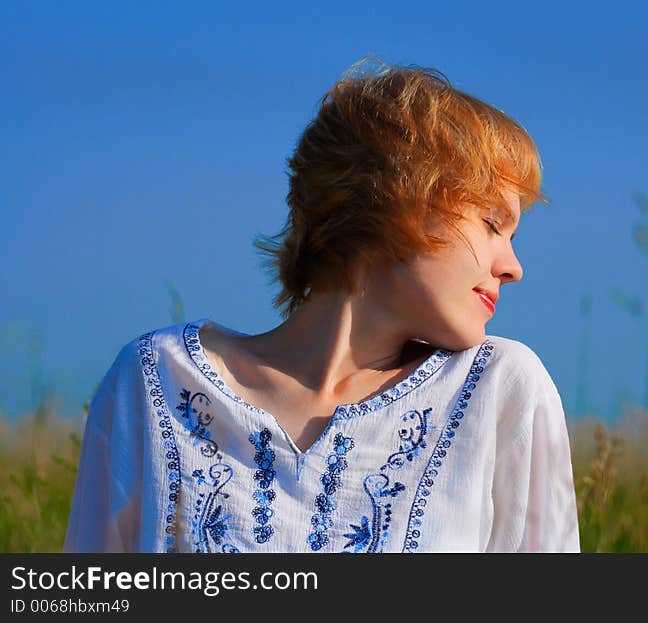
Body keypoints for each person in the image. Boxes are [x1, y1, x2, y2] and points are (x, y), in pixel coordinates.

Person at [63, 58, 580, 553]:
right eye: (492, 224)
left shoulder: (501, 389)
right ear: (400, 195)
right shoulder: (156, 381)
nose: (513, 267)